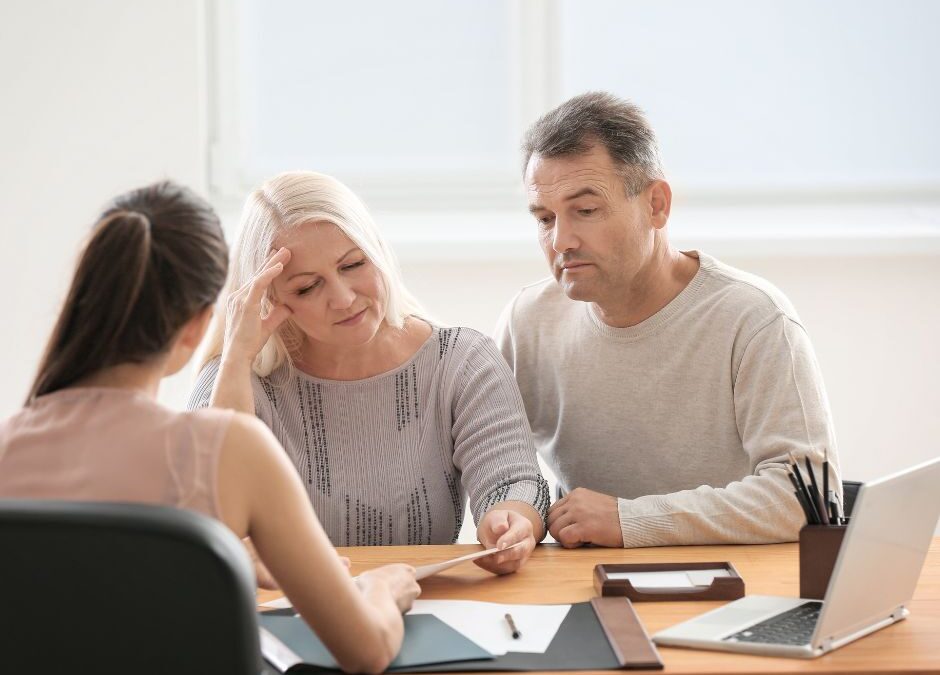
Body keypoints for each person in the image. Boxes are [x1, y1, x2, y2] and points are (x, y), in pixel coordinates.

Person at [0, 182, 419, 674]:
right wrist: (382, 589)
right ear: (199, 324)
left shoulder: (8, 446)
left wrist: (230, 561)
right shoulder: (226, 449)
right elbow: (366, 650)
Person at [495, 91, 841, 549]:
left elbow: (806, 501)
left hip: (728, 589)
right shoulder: (529, 321)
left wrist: (630, 520)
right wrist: (515, 516)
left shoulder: (753, 317)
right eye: (544, 217)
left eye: (586, 210)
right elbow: (497, 463)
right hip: (588, 586)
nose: (561, 241)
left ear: (657, 204)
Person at [188, 171, 548, 574]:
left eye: (353, 264)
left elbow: (514, 481)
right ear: (269, 297)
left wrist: (511, 521)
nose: (343, 299)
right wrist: (237, 354)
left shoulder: (461, 361)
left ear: (377, 250)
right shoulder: (237, 379)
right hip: (294, 615)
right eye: (307, 287)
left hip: (428, 608)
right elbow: (210, 520)